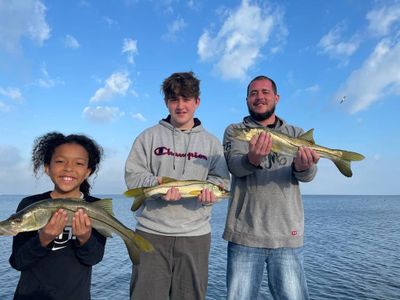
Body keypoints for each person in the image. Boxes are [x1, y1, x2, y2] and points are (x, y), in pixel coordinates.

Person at [125, 71, 230, 300]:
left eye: (186, 99)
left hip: (195, 236)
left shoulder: (211, 143)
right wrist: (155, 185)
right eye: (174, 99)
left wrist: (211, 191)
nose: (180, 106)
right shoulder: (147, 137)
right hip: (150, 233)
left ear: (197, 102)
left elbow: (221, 180)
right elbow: (133, 175)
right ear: (166, 103)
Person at [223, 75, 320, 300]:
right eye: (253, 93)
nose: (259, 97)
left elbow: (308, 175)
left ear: (276, 97)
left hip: (288, 234)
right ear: (247, 99)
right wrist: (252, 158)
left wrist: (303, 166)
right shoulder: (236, 131)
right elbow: (235, 167)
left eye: (265, 92)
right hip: (244, 235)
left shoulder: (296, 133)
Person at [9, 132, 106, 300]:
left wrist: (85, 238)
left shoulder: (94, 207)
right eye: (60, 161)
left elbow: (94, 258)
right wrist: (43, 239)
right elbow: (18, 262)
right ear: (47, 167)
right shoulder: (31, 204)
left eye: (79, 163)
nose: (68, 168)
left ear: (87, 172)